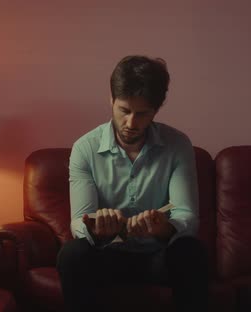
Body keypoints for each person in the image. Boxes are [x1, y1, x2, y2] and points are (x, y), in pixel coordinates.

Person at [56, 55, 209, 312]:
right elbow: (78, 222)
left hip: (159, 259)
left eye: (142, 114)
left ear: (155, 110)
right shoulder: (85, 148)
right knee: (72, 254)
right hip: (107, 257)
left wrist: (162, 228)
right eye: (124, 111)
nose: (131, 123)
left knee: (191, 251)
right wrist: (98, 230)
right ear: (111, 100)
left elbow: (187, 216)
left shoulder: (178, 145)